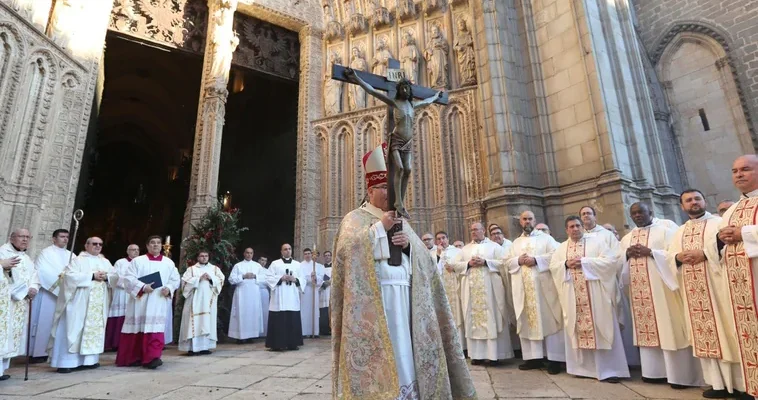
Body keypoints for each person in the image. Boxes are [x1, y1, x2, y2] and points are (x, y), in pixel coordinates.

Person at [331, 144, 475, 398]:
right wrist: (378, 230)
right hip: (376, 304)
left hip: (405, 300)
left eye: (392, 187)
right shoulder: (354, 219)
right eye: (384, 187)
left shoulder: (401, 221)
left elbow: (425, 262)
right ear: (370, 190)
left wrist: (409, 247)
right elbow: (346, 253)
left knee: (406, 350)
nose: (389, 193)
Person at [669, 189, 743, 398]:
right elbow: (669, 258)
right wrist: (678, 257)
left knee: (727, 333)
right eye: (688, 200)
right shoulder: (679, 232)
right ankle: (716, 384)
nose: (693, 203)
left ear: (704, 201)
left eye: (697, 198)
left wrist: (704, 253)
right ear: (682, 206)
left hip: (718, 291)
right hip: (694, 294)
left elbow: (731, 248)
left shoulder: (718, 223)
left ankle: (739, 384)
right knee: (705, 335)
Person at [619, 203, 702, 388]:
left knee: (669, 330)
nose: (638, 215)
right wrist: (626, 254)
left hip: (663, 290)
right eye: (634, 213)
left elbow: (675, 255)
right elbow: (618, 263)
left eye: (641, 211)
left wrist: (651, 253)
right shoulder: (627, 238)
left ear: (651, 212)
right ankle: (652, 372)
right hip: (640, 292)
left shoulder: (665, 230)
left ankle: (678, 376)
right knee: (647, 330)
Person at [550, 216, 629, 383]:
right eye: (571, 226)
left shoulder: (597, 242)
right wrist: (565, 264)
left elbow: (609, 262)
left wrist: (585, 262)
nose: (575, 229)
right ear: (566, 230)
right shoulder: (561, 248)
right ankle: (583, 369)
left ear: (582, 227)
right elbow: (553, 267)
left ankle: (609, 370)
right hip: (573, 295)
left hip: (595, 295)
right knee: (577, 329)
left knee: (602, 327)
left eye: (578, 225)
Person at [717, 154, 758, 399]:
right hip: (740, 285)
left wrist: (743, 232)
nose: (739, 175)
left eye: (745, 169)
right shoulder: (731, 210)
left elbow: (741, 234)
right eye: (734, 171)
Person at [506, 211, 563, 373]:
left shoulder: (546, 239)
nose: (527, 222)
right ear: (520, 222)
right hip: (523, 288)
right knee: (527, 319)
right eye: (524, 219)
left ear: (535, 220)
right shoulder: (515, 243)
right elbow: (508, 261)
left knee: (549, 319)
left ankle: (554, 359)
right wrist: (518, 260)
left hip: (543, 288)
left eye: (530, 218)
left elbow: (555, 256)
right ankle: (533, 358)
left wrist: (536, 260)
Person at [580, 206, 637, 366]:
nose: (586, 216)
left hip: (607, 284)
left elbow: (616, 258)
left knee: (612, 322)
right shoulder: (578, 235)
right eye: (583, 214)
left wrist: (592, 266)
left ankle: (623, 360)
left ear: (595, 216)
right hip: (586, 287)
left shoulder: (606, 235)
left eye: (589, 213)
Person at [48, 237, 115, 373]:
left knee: (93, 329)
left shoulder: (105, 261)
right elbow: (68, 277)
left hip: (97, 303)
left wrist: (107, 277)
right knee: (73, 328)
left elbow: (116, 276)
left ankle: (90, 361)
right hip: (79, 302)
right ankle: (66, 362)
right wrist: (91, 276)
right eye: (94, 244)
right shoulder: (78, 260)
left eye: (100, 244)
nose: (97, 246)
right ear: (86, 245)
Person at [451, 223, 513, 365]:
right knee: (473, 319)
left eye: (476, 229)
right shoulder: (465, 249)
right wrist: (468, 264)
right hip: (471, 290)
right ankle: (477, 355)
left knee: (493, 317)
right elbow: (454, 265)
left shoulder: (494, 247)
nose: (473, 232)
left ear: (483, 231)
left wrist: (486, 262)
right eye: (471, 230)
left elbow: (504, 263)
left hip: (490, 290)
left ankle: (494, 355)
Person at [116, 235, 180, 369]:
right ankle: (133, 357)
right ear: (147, 246)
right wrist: (143, 287)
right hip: (140, 301)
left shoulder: (168, 263)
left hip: (158, 300)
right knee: (136, 328)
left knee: (155, 328)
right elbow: (128, 279)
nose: (155, 245)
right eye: (152, 243)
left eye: (158, 243)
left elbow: (175, 279)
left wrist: (169, 288)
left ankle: (152, 358)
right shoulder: (138, 261)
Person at [0, 229, 39, 380]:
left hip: (20, 303)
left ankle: (2, 370)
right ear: (11, 237)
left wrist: (33, 288)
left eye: (28, 237)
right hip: (5, 303)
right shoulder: (2, 253)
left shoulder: (27, 258)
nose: (25, 240)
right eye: (21, 236)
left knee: (11, 336)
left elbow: (34, 276)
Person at [29, 229, 71, 362]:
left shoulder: (72, 255)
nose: (65, 239)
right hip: (49, 293)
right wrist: (61, 285)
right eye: (62, 236)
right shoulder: (46, 253)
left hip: (65, 295)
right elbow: (42, 271)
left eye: (67, 237)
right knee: (44, 322)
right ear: (54, 239)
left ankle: (55, 351)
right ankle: (38, 352)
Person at [179, 250, 224, 355]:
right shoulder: (191, 269)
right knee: (192, 322)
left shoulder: (214, 269)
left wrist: (211, 278)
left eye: (206, 256)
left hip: (208, 302)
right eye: (201, 256)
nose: (204, 258)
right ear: (198, 258)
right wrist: (198, 279)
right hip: (194, 302)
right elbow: (184, 282)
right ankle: (192, 348)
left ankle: (205, 347)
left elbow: (221, 280)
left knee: (207, 322)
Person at [265, 243, 304, 351]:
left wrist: (295, 279)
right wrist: (280, 278)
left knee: (292, 319)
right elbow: (268, 277)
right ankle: (277, 344)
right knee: (279, 320)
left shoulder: (297, 264)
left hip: (292, 296)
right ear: (281, 252)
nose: (288, 251)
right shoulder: (275, 264)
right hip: (279, 296)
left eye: (289, 249)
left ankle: (293, 343)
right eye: (285, 249)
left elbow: (303, 278)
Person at [105, 244, 139, 352]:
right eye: (133, 250)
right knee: (119, 316)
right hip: (122, 293)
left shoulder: (140, 262)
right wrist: (130, 284)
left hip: (135, 293)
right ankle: (115, 343)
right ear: (127, 251)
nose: (136, 252)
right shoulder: (120, 262)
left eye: (137, 250)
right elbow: (115, 277)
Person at [435, 231, 464, 350]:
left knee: (458, 314)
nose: (441, 241)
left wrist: (454, 268)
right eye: (439, 239)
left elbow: (461, 265)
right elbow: (434, 270)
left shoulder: (457, 251)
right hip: (442, 287)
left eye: (443, 238)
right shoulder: (434, 253)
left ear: (448, 238)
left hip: (455, 286)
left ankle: (462, 345)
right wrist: (438, 255)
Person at [228, 248, 264, 343]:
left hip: (254, 294)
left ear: (253, 254)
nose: (249, 255)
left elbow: (265, 278)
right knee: (241, 313)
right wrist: (243, 276)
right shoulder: (238, 266)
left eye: (251, 253)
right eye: (247, 253)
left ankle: (250, 336)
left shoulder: (257, 266)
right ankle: (240, 336)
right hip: (241, 293)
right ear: (244, 254)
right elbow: (231, 279)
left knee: (252, 313)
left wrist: (255, 276)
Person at [299, 248, 324, 338]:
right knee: (304, 310)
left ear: (313, 255)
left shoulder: (318, 266)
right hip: (304, 290)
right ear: (303, 255)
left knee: (314, 310)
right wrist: (308, 278)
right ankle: (304, 331)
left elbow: (321, 279)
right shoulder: (300, 265)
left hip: (314, 290)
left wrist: (315, 277)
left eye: (309, 253)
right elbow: (300, 277)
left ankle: (315, 331)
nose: (308, 255)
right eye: (305, 254)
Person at [319, 250, 333, 336]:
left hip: (331, 290)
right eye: (326, 255)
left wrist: (331, 282)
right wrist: (323, 283)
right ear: (324, 257)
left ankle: (332, 329)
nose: (327, 257)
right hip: (323, 291)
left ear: (331, 256)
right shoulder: (321, 268)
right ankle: (324, 329)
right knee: (323, 311)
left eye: (329, 255)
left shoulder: (335, 267)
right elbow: (319, 278)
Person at [258, 254, 270, 336]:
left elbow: (268, 282)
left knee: (265, 311)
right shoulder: (255, 268)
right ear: (259, 260)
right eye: (262, 260)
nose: (263, 262)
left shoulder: (267, 271)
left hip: (264, 292)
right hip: (256, 291)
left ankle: (265, 332)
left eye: (265, 261)